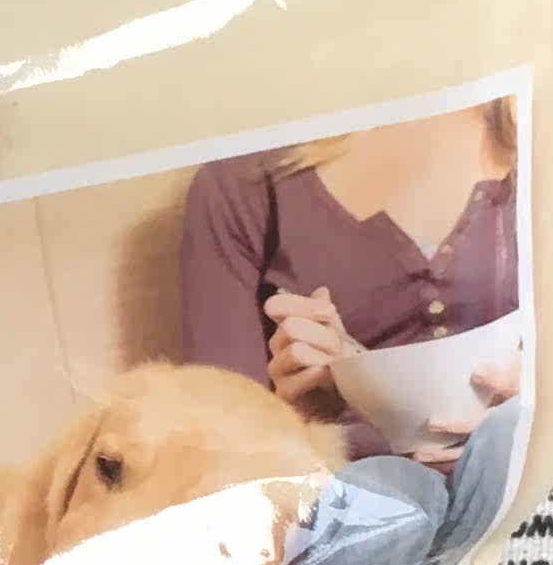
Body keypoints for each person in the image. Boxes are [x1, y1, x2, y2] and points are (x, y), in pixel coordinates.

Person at [177, 100, 521, 468]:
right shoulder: (243, 179)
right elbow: (228, 446)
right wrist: (299, 415)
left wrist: (544, 399)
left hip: (527, 467)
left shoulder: (539, 128)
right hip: (350, 483)